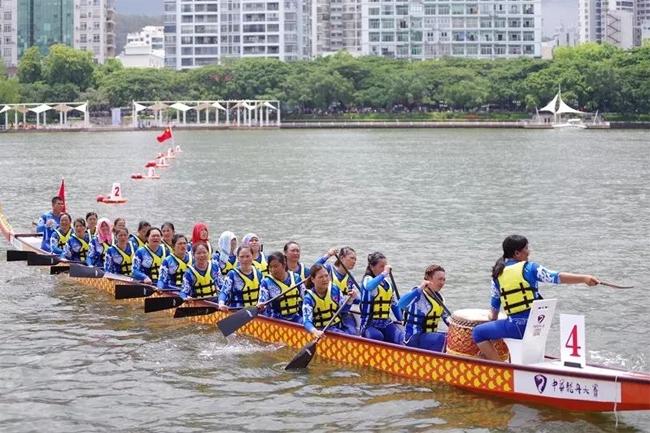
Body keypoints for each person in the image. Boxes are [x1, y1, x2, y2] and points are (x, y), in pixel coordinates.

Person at [472, 235, 599, 361]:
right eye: (526, 248)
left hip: (517, 328)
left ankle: (500, 367)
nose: (529, 252)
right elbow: (557, 277)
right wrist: (584, 278)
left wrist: (491, 317)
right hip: (539, 326)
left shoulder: (497, 276)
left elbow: (494, 313)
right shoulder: (530, 268)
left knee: (478, 333)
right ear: (517, 253)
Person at [398, 264, 450, 352]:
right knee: (443, 339)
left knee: (452, 338)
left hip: (428, 337)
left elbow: (447, 318)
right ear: (428, 280)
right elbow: (401, 304)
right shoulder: (417, 294)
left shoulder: (440, 298)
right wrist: (420, 288)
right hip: (413, 338)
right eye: (439, 279)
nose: (442, 283)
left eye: (444, 279)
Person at [359, 252, 403, 344]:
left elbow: (394, 305)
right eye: (381, 266)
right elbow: (369, 286)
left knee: (401, 338)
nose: (384, 269)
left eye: (385, 266)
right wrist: (384, 273)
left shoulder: (388, 284)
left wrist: (401, 320)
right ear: (372, 267)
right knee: (377, 336)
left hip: (385, 323)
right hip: (369, 324)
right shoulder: (368, 279)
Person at [302, 264, 357, 337]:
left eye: (326, 275)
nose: (325, 279)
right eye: (321, 277)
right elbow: (306, 321)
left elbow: (343, 311)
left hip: (338, 324)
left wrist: (351, 300)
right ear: (313, 279)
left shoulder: (335, 289)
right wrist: (314, 331)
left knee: (352, 330)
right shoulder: (309, 298)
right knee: (345, 335)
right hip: (323, 329)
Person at [316, 247, 359, 335]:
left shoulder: (350, 279)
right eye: (351, 258)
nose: (354, 261)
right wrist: (328, 255)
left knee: (352, 333)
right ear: (342, 258)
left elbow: (359, 300)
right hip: (327, 314)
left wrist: (355, 297)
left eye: (355, 259)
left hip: (343, 313)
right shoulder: (328, 270)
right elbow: (314, 269)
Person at [257, 252, 304, 322]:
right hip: (275, 319)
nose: (273, 270)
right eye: (270, 267)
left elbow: (305, 298)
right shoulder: (266, 282)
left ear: (284, 265)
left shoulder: (296, 278)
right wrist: (260, 305)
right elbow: (262, 300)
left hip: (295, 317)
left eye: (276, 266)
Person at [218, 245, 263, 310]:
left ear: (252, 257)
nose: (245, 259)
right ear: (238, 258)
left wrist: (262, 303)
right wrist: (221, 303)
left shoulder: (258, 273)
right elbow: (224, 291)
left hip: (256, 312)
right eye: (242, 257)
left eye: (248, 256)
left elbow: (264, 293)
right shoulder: (232, 274)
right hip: (238, 312)